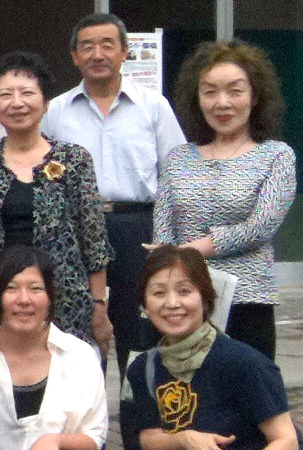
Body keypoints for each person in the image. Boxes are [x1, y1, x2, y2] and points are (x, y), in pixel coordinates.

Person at [42, 13, 185, 362]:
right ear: (75, 56)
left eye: (107, 45)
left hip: (137, 227)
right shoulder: (56, 110)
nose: (98, 54)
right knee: (78, 322)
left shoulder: (153, 106)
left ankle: (135, 395)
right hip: (75, 229)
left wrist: (168, 237)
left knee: (138, 325)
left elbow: (176, 174)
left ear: (124, 51)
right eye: (87, 47)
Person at [154, 40, 295, 359]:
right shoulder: (178, 158)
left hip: (247, 302)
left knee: (249, 388)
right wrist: (166, 261)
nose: (222, 102)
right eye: (210, 92)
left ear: (254, 96)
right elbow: (163, 232)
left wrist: (195, 249)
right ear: (197, 98)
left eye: (235, 91)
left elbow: (259, 228)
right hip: (181, 303)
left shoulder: (276, 156)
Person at [0, 51, 112, 348]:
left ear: (45, 103)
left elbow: (94, 241)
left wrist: (99, 304)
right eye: (5, 94)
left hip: (66, 300)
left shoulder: (74, 159)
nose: (17, 102)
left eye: (27, 93)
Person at [122, 246, 296, 450]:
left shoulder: (245, 364)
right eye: (159, 293)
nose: (172, 303)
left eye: (184, 291)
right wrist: (184, 439)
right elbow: (148, 437)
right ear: (145, 306)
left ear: (205, 298)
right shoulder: (143, 368)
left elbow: (287, 440)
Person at [0, 246, 107, 450]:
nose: (24, 300)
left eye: (35, 289)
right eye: (11, 288)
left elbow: (95, 435)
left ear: (50, 297)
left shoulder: (80, 356)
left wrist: (56, 441)